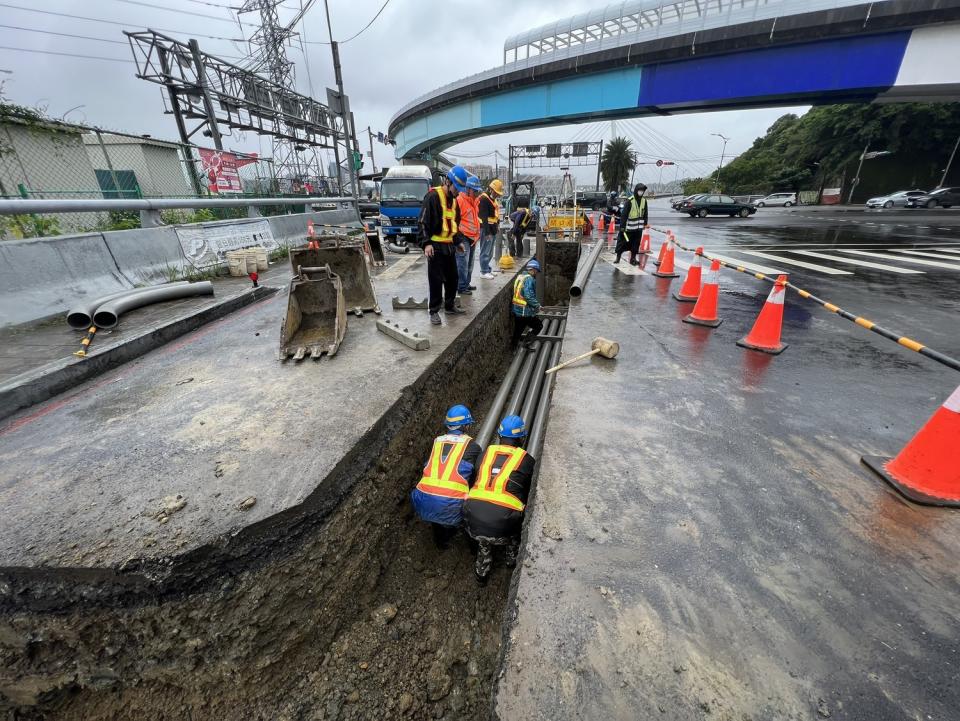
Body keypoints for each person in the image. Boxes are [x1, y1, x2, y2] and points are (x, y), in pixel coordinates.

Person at [463, 414, 536, 584]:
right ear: (522, 439)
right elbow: (528, 492)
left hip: (472, 517)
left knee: (484, 535)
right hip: (505, 525)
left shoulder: (485, 453)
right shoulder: (527, 460)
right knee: (516, 522)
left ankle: (481, 572)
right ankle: (511, 558)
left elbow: (475, 478)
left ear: (499, 436)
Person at [410, 404, 483, 550]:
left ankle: (441, 542)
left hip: (422, 500)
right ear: (466, 426)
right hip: (451, 505)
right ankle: (474, 548)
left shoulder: (437, 442)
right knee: (468, 509)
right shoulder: (473, 447)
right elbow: (475, 478)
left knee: (438, 505)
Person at [420, 165, 469, 325]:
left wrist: (458, 242)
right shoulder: (433, 197)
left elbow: (454, 225)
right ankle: (434, 310)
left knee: (452, 278)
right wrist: (426, 243)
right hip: (435, 246)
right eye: (457, 187)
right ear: (448, 181)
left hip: (448, 247)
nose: (458, 192)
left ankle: (449, 306)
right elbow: (422, 222)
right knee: (435, 280)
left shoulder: (454, 202)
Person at [456, 175, 482, 295]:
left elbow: (475, 219)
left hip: (473, 237)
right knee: (462, 263)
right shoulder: (460, 200)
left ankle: (466, 283)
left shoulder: (474, 201)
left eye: (477, 191)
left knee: (470, 263)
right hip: (463, 236)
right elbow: (455, 219)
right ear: (468, 189)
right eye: (475, 190)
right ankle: (461, 286)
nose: (476, 193)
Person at [511, 259, 542, 347]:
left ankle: (512, 349)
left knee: (517, 331)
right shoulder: (529, 279)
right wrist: (537, 305)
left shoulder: (520, 277)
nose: (536, 273)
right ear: (533, 269)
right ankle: (527, 343)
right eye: (536, 271)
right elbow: (528, 296)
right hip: (525, 312)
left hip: (517, 310)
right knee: (538, 326)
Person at [616, 183, 649, 265]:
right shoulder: (630, 201)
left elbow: (645, 213)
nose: (641, 192)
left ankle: (633, 259)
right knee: (622, 242)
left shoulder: (644, 201)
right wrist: (622, 226)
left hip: (638, 229)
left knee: (635, 244)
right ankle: (618, 257)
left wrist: (645, 223)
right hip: (629, 228)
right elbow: (624, 215)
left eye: (642, 191)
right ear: (636, 191)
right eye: (640, 190)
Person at [477, 178, 503, 279]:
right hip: (486, 229)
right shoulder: (484, 199)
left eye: (498, 193)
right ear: (491, 189)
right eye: (496, 192)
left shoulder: (493, 200)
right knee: (485, 251)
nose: (497, 194)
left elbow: (495, 215)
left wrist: (497, 226)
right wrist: (487, 233)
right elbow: (483, 217)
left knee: (490, 251)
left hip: (492, 229)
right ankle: (483, 271)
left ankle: (487, 269)